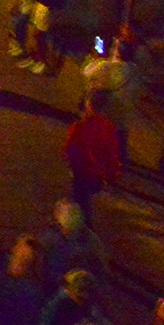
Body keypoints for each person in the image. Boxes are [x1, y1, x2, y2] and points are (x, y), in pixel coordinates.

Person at [63, 90, 121, 227]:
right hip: (96, 175)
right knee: (84, 199)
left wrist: (72, 162)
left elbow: (70, 147)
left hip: (81, 171)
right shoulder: (109, 129)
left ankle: (81, 226)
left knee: (80, 199)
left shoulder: (80, 126)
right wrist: (111, 174)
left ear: (88, 104)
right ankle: (81, 224)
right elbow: (112, 154)